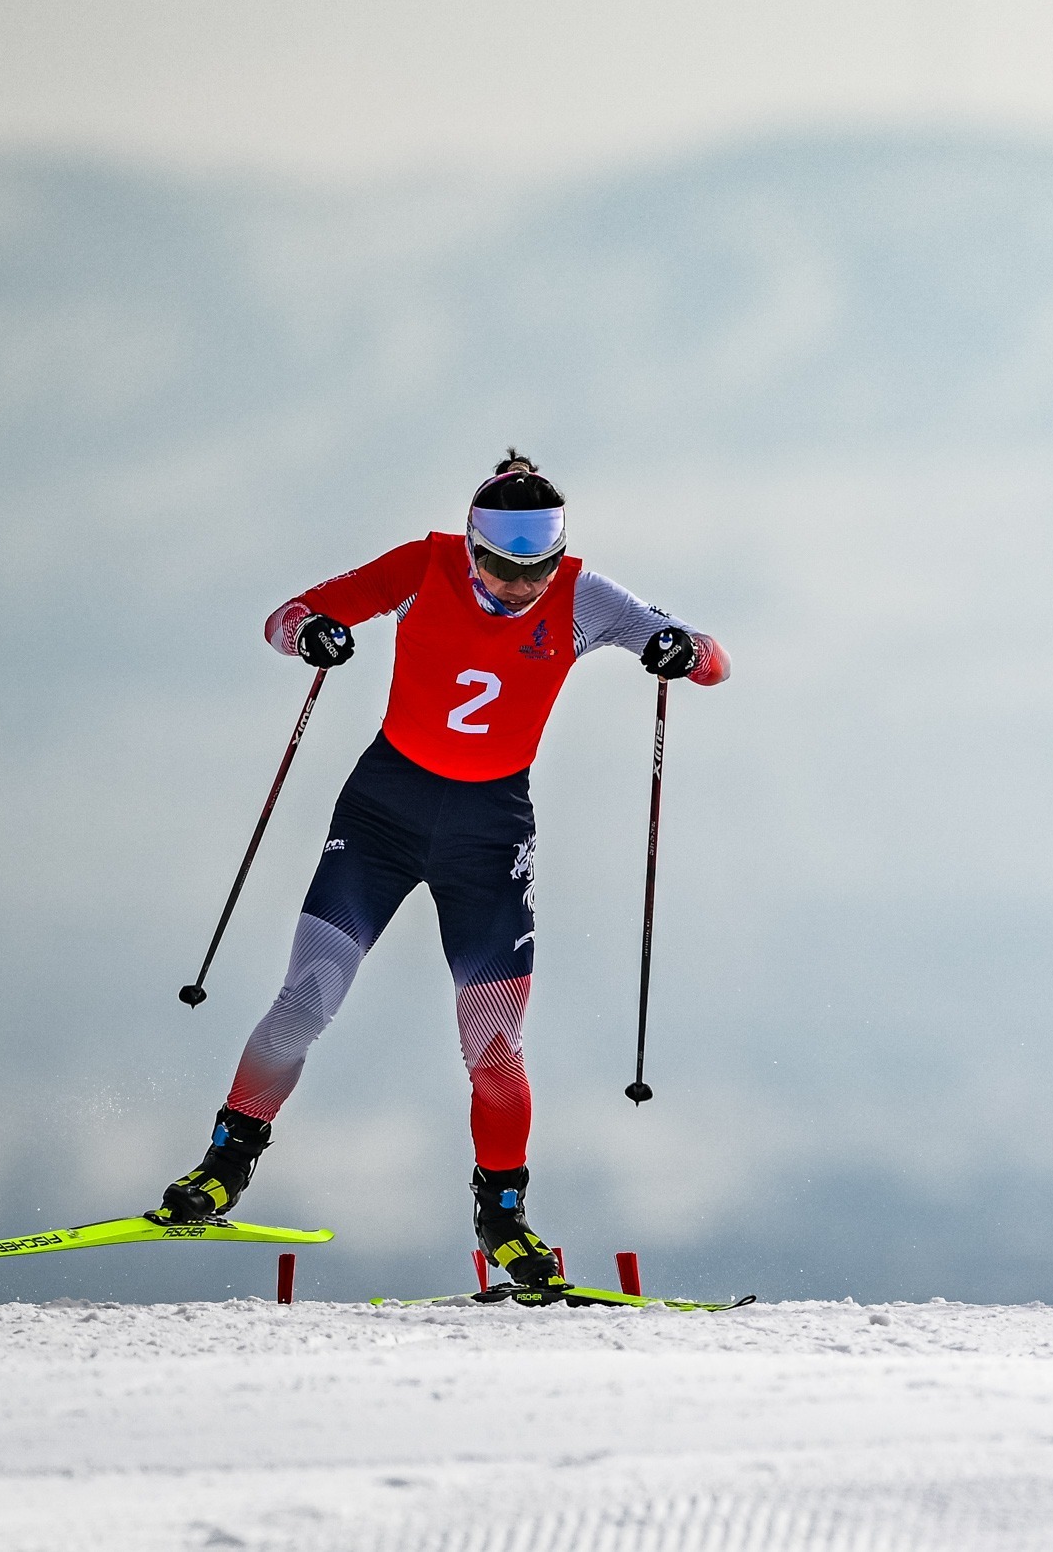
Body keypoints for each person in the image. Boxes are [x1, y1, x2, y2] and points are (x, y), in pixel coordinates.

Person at [151, 451, 731, 1300]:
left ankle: (503, 1218)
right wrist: (313, 632)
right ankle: (222, 1170)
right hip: (382, 816)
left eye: (535, 571)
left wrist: (683, 650)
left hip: (489, 840)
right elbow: (286, 618)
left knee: (493, 1049)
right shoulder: (422, 565)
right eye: (500, 568)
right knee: (306, 1000)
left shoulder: (585, 595)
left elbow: (714, 659)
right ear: (470, 547)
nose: (520, 587)